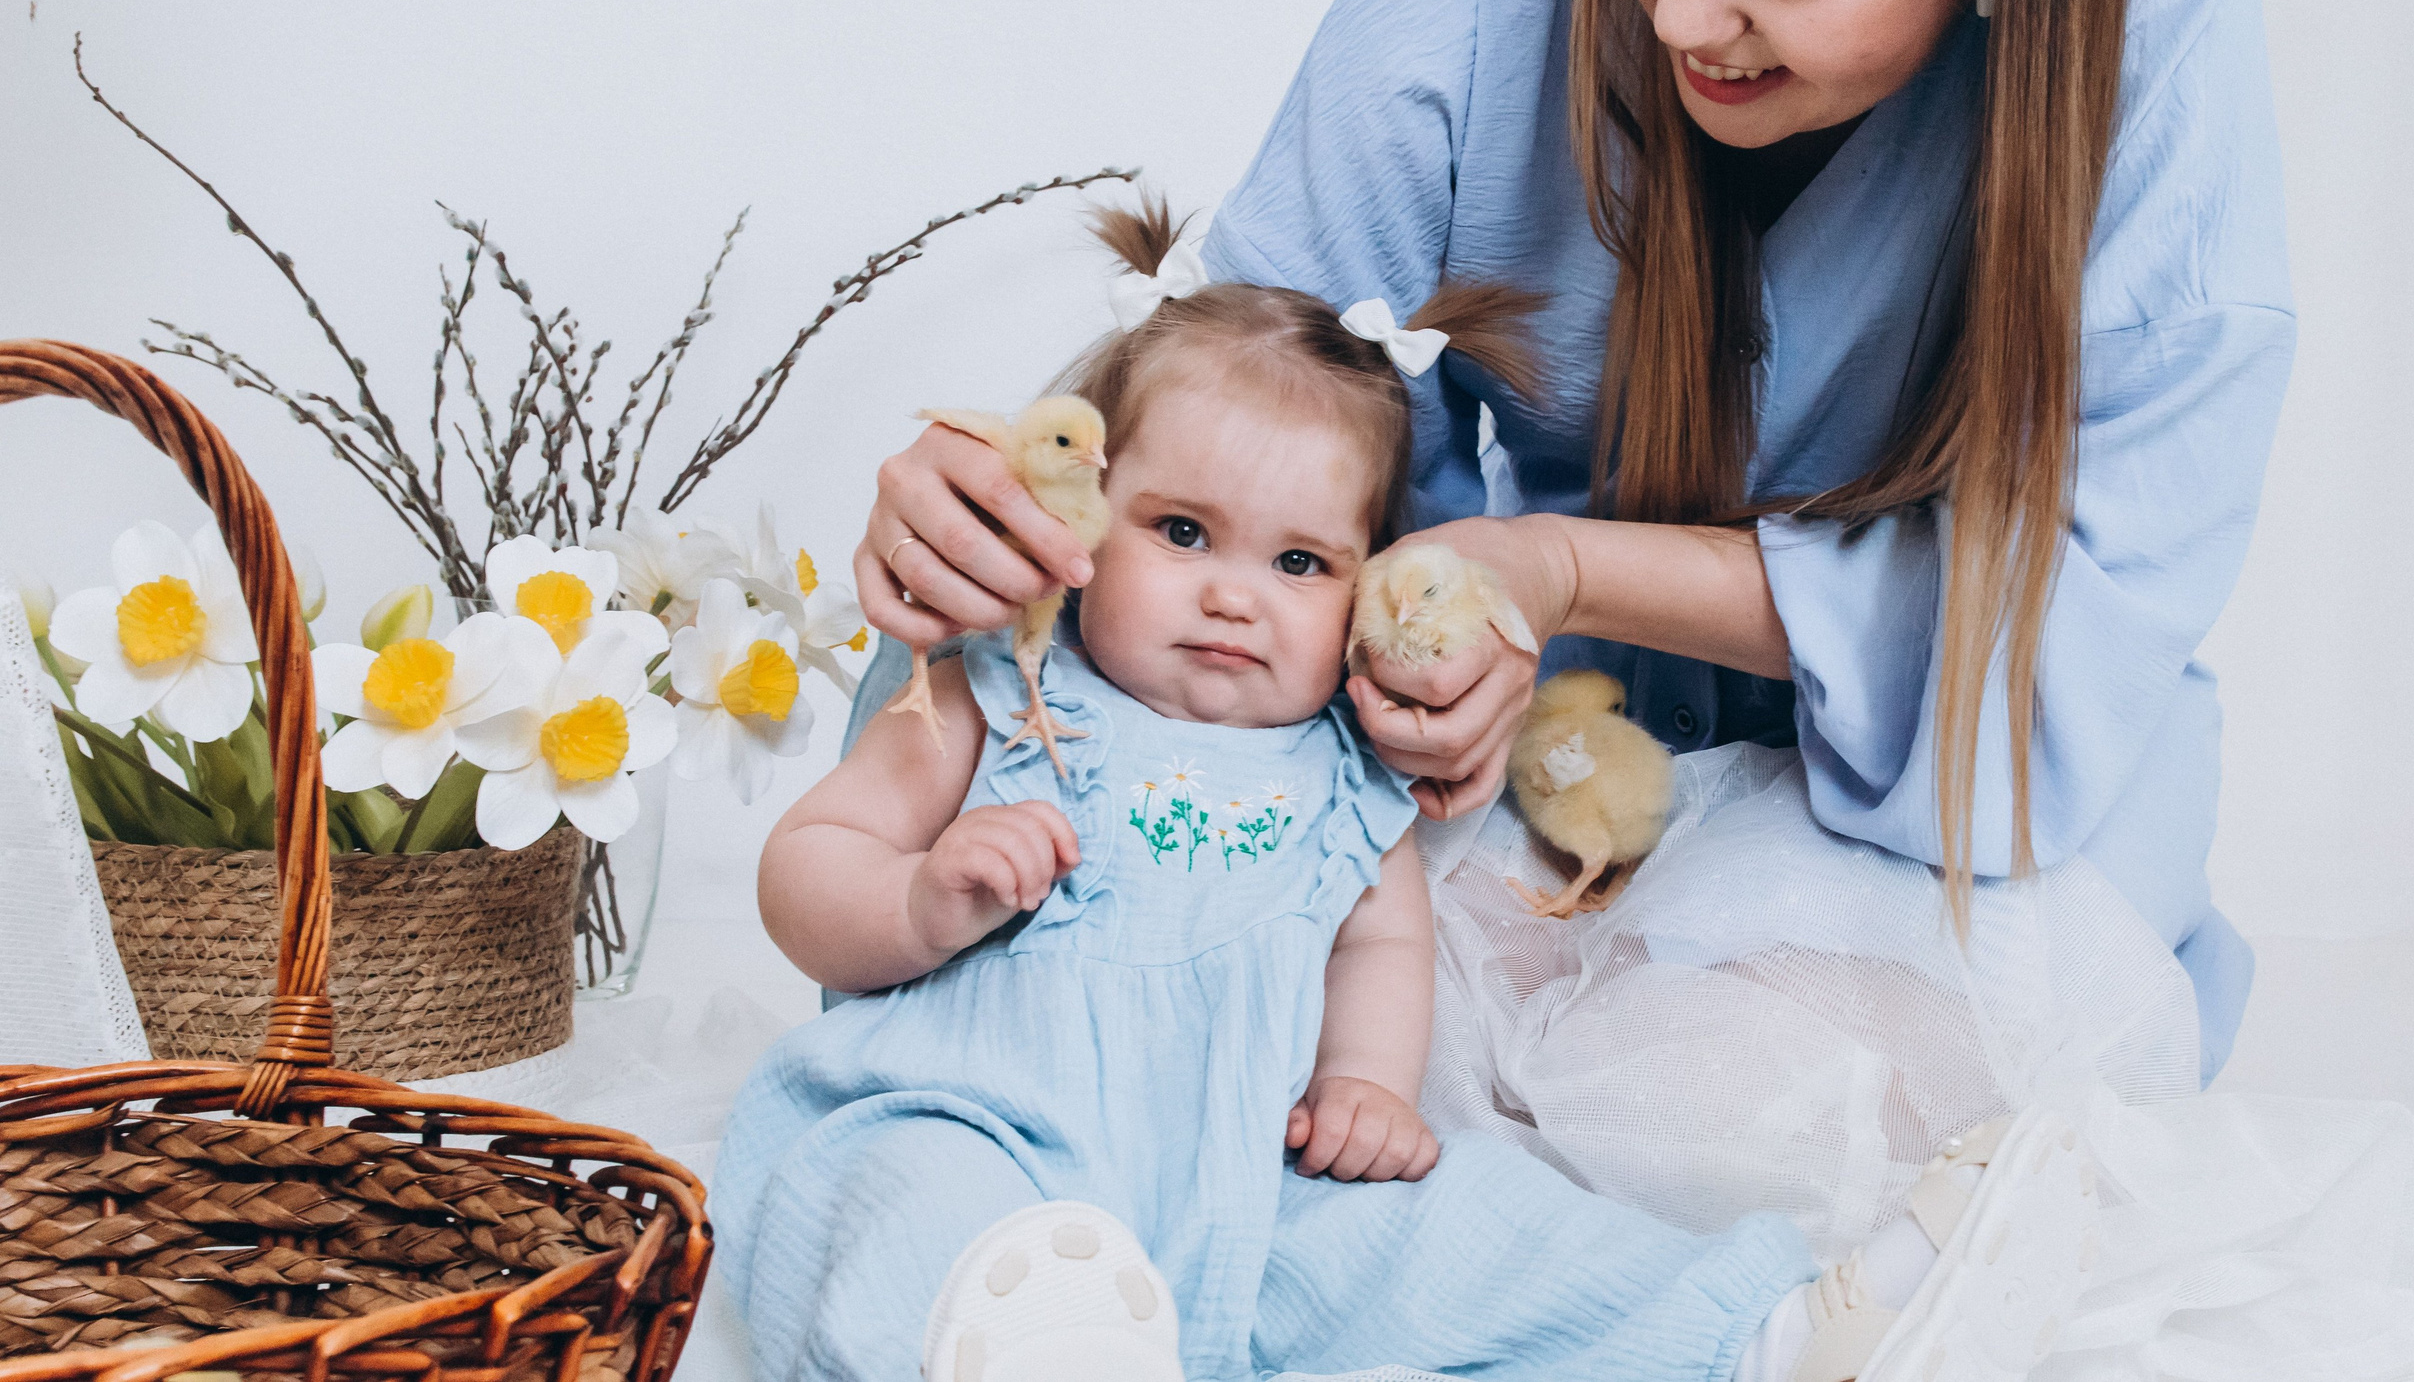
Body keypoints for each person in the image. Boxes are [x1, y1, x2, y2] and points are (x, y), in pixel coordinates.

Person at [851, 0, 2292, 1081]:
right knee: (1168, 970)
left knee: (1763, 1092)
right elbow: (1246, 381)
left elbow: (2052, 649)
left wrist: (1556, 565)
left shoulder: (2156, 1)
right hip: (1548, 753)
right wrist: (1022, 509)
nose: (1680, 17)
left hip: (1980, 800)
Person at [715, 207, 2102, 1382]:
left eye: (1301, 563)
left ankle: (1770, 1333)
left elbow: (1383, 942)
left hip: (1241, 1191)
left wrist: (1368, 1085)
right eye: (1182, 531)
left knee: (1467, 1235)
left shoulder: (1343, 771)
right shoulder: (994, 689)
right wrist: (916, 893)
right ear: (1086, 511)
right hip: (974, 1131)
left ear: (1371, 579)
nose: (1232, 594)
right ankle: (1025, 1332)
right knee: (895, 1216)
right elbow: (808, 871)